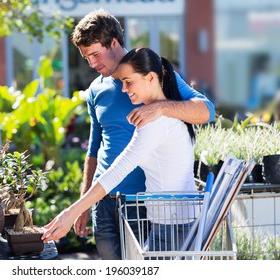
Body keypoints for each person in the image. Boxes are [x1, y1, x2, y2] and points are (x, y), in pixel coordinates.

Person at [45, 9, 215, 260]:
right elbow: (94, 149)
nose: (91, 64)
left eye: (95, 54)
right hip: (103, 202)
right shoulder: (95, 89)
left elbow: (207, 111)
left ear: (113, 43)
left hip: (141, 204)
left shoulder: (152, 76)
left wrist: (161, 108)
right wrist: (84, 204)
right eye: (86, 58)